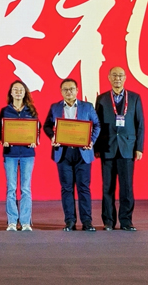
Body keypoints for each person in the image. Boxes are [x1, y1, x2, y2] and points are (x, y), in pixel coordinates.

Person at [43, 78, 100, 232]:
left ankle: (87, 222)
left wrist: (91, 141)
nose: (69, 92)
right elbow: (47, 125)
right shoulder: (55, 107)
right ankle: (69, 221)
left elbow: (97, 125)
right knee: (66, 188)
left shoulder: (87, 107)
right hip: (63, 153)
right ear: (61, 92)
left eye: (71, 89)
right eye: (65, 90)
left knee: (83, 188)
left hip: (83, 152)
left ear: (77, 90)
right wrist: (52, 137)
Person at [94, 66, 145, 232]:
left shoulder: (135, 98)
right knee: (107, 187)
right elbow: (96, 124)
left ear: (125, 78)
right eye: (114, 75)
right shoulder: (101, 99)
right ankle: (108, 221)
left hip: (127, 148)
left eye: (120, 75)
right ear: (109, 77)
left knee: (127, 187)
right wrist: (96, 147)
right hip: (107, 148)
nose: (117, 78)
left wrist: (139, 148)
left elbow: (140, 124)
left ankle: (126, 221)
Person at [0, 80, 38, 231]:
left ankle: (25, 222)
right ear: (11, 93)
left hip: (27, 153)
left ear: (25, 93)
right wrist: (3, 140)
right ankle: (12, 221)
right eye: (15, 89)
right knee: (11, 188)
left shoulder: (31, 110)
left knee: (26, 188)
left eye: (21, 90)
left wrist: (35, 140)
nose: (18, 92)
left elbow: (36, 129)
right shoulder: (5, 111)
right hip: (10, 154)